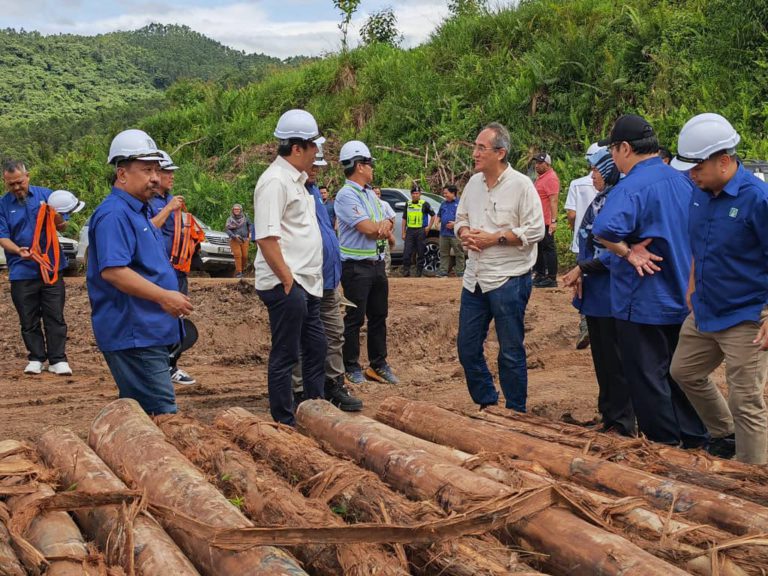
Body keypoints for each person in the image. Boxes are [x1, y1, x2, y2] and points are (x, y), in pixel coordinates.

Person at [592, 113, 708, 448]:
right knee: (680, 373)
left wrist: (629, 253)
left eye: (612, 151)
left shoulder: (632, 186)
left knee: (647, 377)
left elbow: (603, 230)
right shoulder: (683, 180)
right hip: (681, 295)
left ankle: (664, 445)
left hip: (643, 299)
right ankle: (695, 439)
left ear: (624, 148)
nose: (612, 159)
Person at [669, 113, 768, 464]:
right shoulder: (700, 195)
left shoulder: (757, 198)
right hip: (706, 307)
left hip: (747, 315)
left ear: (723, 161)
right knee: (683, 371)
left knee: (746, 399)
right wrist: (692, 285)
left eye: (696, 168)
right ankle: (725, 433)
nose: (691, 175)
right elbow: (700, 244)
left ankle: (753, 478)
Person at [87, 129, 193, 415]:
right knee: (162, 415)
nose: (155, 177)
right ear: (122, 174)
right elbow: (114, 271)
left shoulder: (140, 211)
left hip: (149, 330)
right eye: (146, 170)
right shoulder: (114, 214)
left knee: (142, 414)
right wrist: (164, 297)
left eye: (156, 170)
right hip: (135, 332)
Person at [455, 122, 544, 412]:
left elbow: (535, 230)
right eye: (475, 146)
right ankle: (488, 403)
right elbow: (461, 217)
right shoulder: (473, 184)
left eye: (481, 147)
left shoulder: (521, 185)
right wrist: (464, 233)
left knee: (510, 350)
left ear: (500, 152)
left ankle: (515, 411)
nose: (475, 153)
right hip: (475, 279)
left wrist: (495, 238)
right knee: (467, 348)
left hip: (509, 279)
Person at [253, 109, 327, 426]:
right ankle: (284, 421)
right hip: (288, 284)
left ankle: (315, 411)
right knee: (286, 354)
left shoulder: (296, 181)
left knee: (316, 347)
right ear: (297, 148)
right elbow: (266, 238)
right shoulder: (274, 181)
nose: (317, 153)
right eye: (313, 147)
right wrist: (287, 280)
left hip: (306, 283)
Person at [562, 148, 636, 436]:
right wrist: (582, 269)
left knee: (616, 359)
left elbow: (618, 250)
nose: (592, 175)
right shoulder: (599, 201)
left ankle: (624, 421)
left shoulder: (619, 201)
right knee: (601, 358)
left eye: (597, 170)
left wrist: (584, 268)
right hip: (594, 293)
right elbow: (586, 241)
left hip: (611, 291)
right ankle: (608, 414)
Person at [292, 141, 363, 411]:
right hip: (303, 279)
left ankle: (334, 384)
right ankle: (298, 391)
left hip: (328, 281)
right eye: (313, 165)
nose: (316, 171)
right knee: (301, 337)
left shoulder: (314, 193)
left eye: (319, 166)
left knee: (334, 334)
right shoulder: (290, 191)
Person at [334, 140, 398, 385]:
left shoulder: (370, 194)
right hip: (355, 267)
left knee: (379, 315)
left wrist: (384, 227)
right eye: (370, 164)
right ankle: (350, 366)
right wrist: (381, 228)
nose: (372, 168)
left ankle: (378, 364)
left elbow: (389, 218)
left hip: (376, 264)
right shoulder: (346, 195)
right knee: (354, 317)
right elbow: (368, 228)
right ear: (360, 166)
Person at [0, 160, 71, 375]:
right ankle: (36, 357)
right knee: (28, 317)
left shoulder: (47, 195)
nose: (16, 188)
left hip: (50, 268)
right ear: (5, 182)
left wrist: (54, 213)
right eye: (11, 184)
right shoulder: (3, 205)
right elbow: (3, 237)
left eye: (19, 182)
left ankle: (58, 359)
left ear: (27, 176)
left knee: (54, 315)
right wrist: (18, 250)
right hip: (22, 270)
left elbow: (63, 225)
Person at [147, 150, 196, 386]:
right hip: (159, 271)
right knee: (163, 317)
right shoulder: (149, 202)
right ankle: (163, 367)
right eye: (168, 172)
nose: (171, 177)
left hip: (178, 269)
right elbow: (148, 230)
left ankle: (171, 364)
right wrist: (168, 210)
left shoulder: (170, 199)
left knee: (178, 318)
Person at [565, 143, 600, 348]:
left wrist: (575, 228)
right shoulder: (617, 183)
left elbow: (571, 214)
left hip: (583, 242)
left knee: (581, 283)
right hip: (605, 245)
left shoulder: (577, 184)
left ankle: (585, 323)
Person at [532, 152, 560, 288]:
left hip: (547, 220)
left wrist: (554, 221)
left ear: (547, 164)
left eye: (540, 163)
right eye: (536, 163)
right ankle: (540, 274)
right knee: (539, 248)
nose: (537, 165)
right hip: (538, 220)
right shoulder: (540, 178)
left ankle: (552, 277)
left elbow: (553, 200)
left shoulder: (551, 178)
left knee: (548, 248)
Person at [400, 183, 435, 277]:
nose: (415, 195)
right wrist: (403, 232)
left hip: (421, 230)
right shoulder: (408, 204)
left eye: (417, 193)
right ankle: (406, 271)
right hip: (410, 231)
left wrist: (428, 227)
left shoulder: (425, 204)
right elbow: (404, 219)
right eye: (413, 193)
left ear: (420, 194)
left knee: (420, 252)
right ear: (411, 194)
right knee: (407, 252)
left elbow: (433, 215)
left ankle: (418, 272)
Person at [434, 184, 465, 277]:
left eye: (446, 193)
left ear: (453, 193)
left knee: (459, 253)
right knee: (443, 253)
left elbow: (465, 218)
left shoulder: (460, 204)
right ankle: (443, 271)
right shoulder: (443, 203)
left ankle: (460, 272)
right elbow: (439, 214)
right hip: (443, 233)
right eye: (444, 193)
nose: (445, 195)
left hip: (455, 234)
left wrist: (455, 224)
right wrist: (436, 222)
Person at [373, 186, 396, 276]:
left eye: (378, 193)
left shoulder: (384, 204)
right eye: (374, 193)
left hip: (382, 234)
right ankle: (376, 272)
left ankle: (386, 272)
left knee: (384, 253)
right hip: (371, 234)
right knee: (374, 254)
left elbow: (392, 216)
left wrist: (390, 229)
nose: (376, 195)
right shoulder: (368, 205)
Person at [225, 204, 252, 278]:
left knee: (245, 256)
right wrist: (234, 236)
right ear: (232, 210)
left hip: (244, 239)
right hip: (234, 239)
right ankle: (239, 272)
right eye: (235, 209)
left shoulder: (245, 218)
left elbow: (250, 225)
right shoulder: (229, 219)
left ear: (241, 210)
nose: (236, 211)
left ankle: (241, 271)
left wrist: (250, 234)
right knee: (238, 255)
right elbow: (227, 229)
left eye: (238, 209)